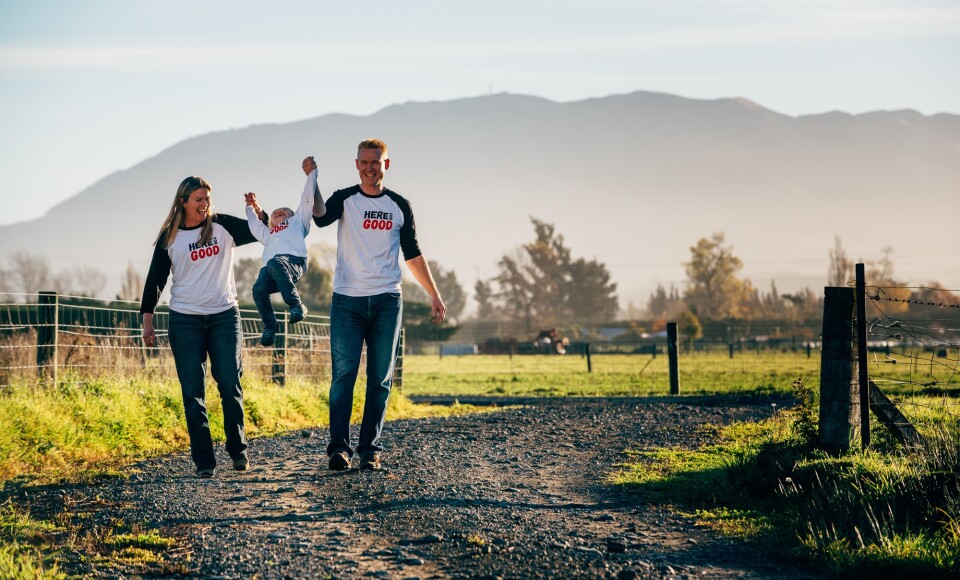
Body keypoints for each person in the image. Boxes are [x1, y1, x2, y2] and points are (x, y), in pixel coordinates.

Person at [311, 138, 446, 471]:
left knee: (380, 378)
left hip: (387, 301)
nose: (371, 167)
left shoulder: (399, 205)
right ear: (356, 164)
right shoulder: (345, 199)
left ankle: (370, 449)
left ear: (387, 164)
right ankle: (338, 450)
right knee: (343, 375)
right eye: (365, 162)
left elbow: (412, 254)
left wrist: (434, 293)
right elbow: (319, 218)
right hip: (347, 300)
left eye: (377, 161)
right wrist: (312, 181)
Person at [140, 176, 258, 478]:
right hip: (185, 320)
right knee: (193, 392)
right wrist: (148, 321)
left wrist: (256, 212)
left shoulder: (222, 227)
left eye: (207, 198)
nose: (204, 204)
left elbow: (264, 230)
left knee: (230, 383)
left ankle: (237, 449)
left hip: (224, 316)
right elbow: (155, 279)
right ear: (183, 202)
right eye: (198, 200)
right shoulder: (171, 236)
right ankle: (205, 462)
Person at [244, 161, 318, 346]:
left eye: (284, 211)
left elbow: (307, 198)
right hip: (271, 269)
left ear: (292, 215)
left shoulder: (298, 221)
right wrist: (250, 207)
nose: (278, 212)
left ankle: (296, 304)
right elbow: (254, 224)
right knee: (258, 289)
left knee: (275, 262)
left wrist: (311, 174)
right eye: (275, 213)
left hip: (293, 262)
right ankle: (270, 326)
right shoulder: (268, 233)